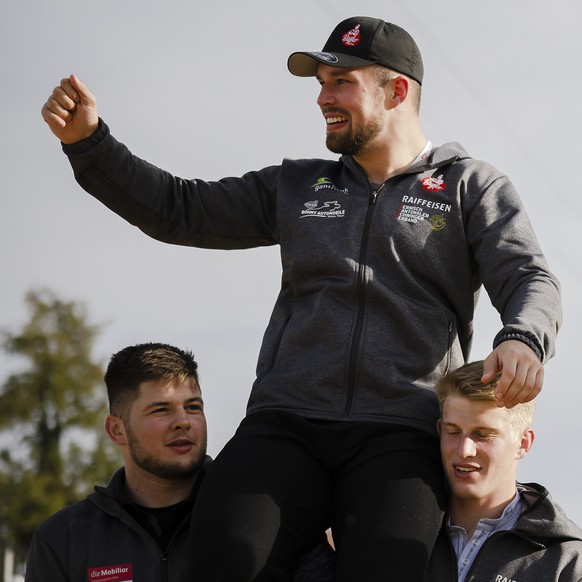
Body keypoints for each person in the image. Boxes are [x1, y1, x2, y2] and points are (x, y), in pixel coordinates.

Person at [40, 15, 562, 581]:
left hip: (399, 429)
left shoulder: (469, 187)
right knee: (225, 555)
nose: (322, 97)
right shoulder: (298, 185)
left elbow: (530, 276)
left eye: (340, 81)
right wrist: (89, 145)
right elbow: (179, 209)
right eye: (319, 82)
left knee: (394, 567)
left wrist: (522, 337)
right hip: (286, 421)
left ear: (396, 90)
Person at [24, 343, 334, 582]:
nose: (183, 422)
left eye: (194, 407)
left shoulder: (269, 514)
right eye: (161, 409)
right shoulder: (64, 538)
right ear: (116, 430)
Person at [425, 361, 582, 581]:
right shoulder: (398, 526)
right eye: (453, 432)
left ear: (523, 443)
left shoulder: (567, 560)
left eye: (483, 435)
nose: (465, 450)